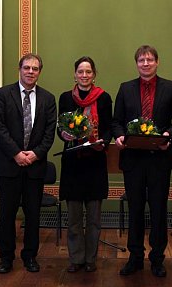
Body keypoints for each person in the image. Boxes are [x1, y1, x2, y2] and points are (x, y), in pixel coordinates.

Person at [112, 45, 172, 277]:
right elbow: (116, 122)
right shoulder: (125, 89)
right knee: (135, 209)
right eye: (141, 60)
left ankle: (157, 258)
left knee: (158, 209)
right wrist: (120, 135)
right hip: (133, 160)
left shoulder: (171, 88)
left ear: (157, 62)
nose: (146, 63)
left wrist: (168, 136)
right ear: (136, 64)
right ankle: (135, 257)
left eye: (150, 60)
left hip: (159, 159)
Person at [0, 53, 57, 274]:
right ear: (19, 69)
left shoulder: (48, 99)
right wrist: (17, 154)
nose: (31, 72)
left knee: (33, 215)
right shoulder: (2, 94)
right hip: (9, 165)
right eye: (27, 67)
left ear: (40, 72)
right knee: (7, 214)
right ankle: (6, 257)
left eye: (35, 68)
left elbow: (49, 133)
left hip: (35, 167)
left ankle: (30, 256)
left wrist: (35, 155)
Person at [57, 56, 112, 273]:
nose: (84, 75)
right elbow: (60, 127)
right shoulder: (65, 98)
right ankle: (76, 258)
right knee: (73, 219)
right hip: (72, 164)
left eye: (88, 72)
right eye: (80, 71)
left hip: (95, 163)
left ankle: (90, 259)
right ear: (75, 74)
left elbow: (108, 127)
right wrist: (63, 133)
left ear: (94, 75)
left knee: (94, 219)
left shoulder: (104, 98)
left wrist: (103, 142)